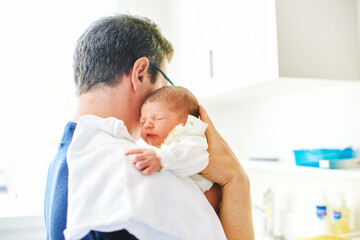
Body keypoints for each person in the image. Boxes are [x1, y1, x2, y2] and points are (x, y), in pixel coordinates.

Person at [44, 13, 254, 240]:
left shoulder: (65, 161)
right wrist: (236, 180)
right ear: (140, 74)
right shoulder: (137, 170)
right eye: (163, 85)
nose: (162, 95)